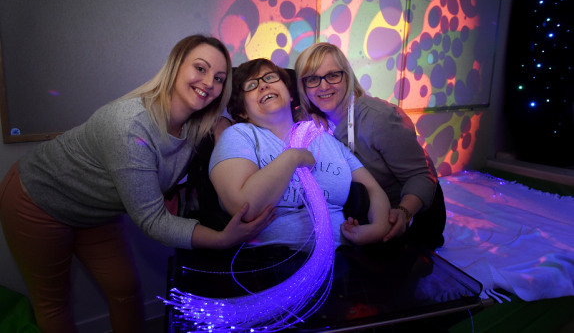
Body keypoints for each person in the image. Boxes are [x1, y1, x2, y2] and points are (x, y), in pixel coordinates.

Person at [0, 35, 275, 333]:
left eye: (219, 78)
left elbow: (225, 127)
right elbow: (153, 220)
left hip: (97, 212)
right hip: (38, 200)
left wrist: (229, 129)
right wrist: (222, 239)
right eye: (200, 68)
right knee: (53, 302)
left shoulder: (197, 123)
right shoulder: (130, 126)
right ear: (175, 67)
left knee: (126, 289)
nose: (209, 82)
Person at [209, 58, 392, 252]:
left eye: (270, 78)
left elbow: (372, 188)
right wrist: (292, 157)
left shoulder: (325, 138)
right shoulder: (239, 136)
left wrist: (378, 227)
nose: (263, 85)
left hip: (343, 261)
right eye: (251, 85)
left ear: (289, 95)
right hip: (271, 266)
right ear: (243, 111)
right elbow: (244, 207)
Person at [294, 42, 446, 250]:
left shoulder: (379, 119)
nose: (323, 86)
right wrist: (304, 113)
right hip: (366, 212)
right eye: (312, 79)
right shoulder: (314, 120)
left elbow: (421, 176)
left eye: (333, 75)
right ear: (303, 86)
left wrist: (403, 213)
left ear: (347, 76)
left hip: (411, 214)